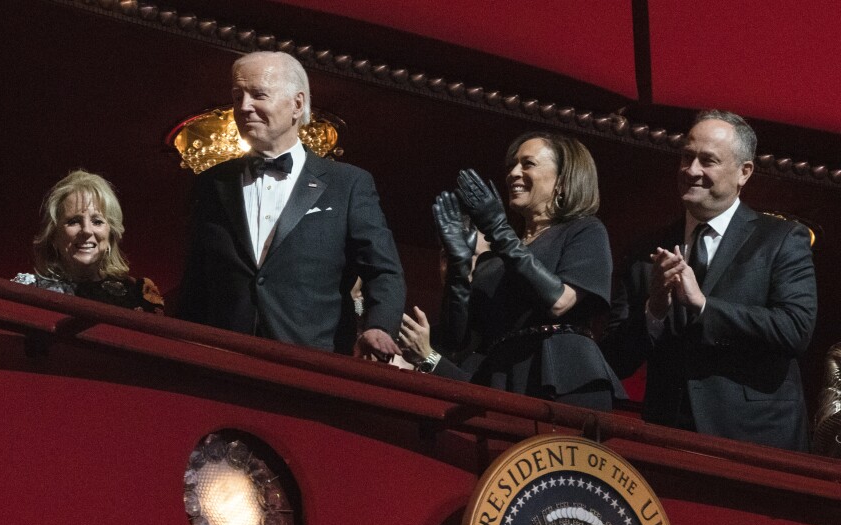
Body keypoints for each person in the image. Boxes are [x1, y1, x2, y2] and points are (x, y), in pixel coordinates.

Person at [601, 109, 817, 450]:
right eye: (687, 157)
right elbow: (616, 359)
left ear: (744, 172)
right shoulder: (647, 251)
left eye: (708, 160)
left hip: (755, 438)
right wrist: (653, 312)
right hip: (669, 435)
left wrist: (704, 307)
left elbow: (795, 329)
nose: (691, 171)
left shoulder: (780, 239)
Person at [177, 51, 405, 359]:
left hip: (311, 365)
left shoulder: (348, 184)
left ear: (297, 104)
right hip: (223, 362)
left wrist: (378, 326)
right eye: (237, 96)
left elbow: (383, 270)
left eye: (258, 95)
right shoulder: (212, 182)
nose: (244, 107)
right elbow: (196, 280)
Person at [402, 132, 625, 411]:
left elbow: (560, 301)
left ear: (563, 179)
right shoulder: (495, 259)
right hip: (502, 380)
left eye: (527, 164)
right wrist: (459, 269)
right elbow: (456, 339)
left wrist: (498, 230)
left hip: (562, 380)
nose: (513, 173)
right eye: (512, 165)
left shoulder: (584, 230)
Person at [12, 170, 164, 313]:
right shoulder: (29, 292)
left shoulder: (139, 294)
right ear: (53, 235)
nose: (86, 230)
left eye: (97, 221)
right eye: (73, 221)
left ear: (111, 235)